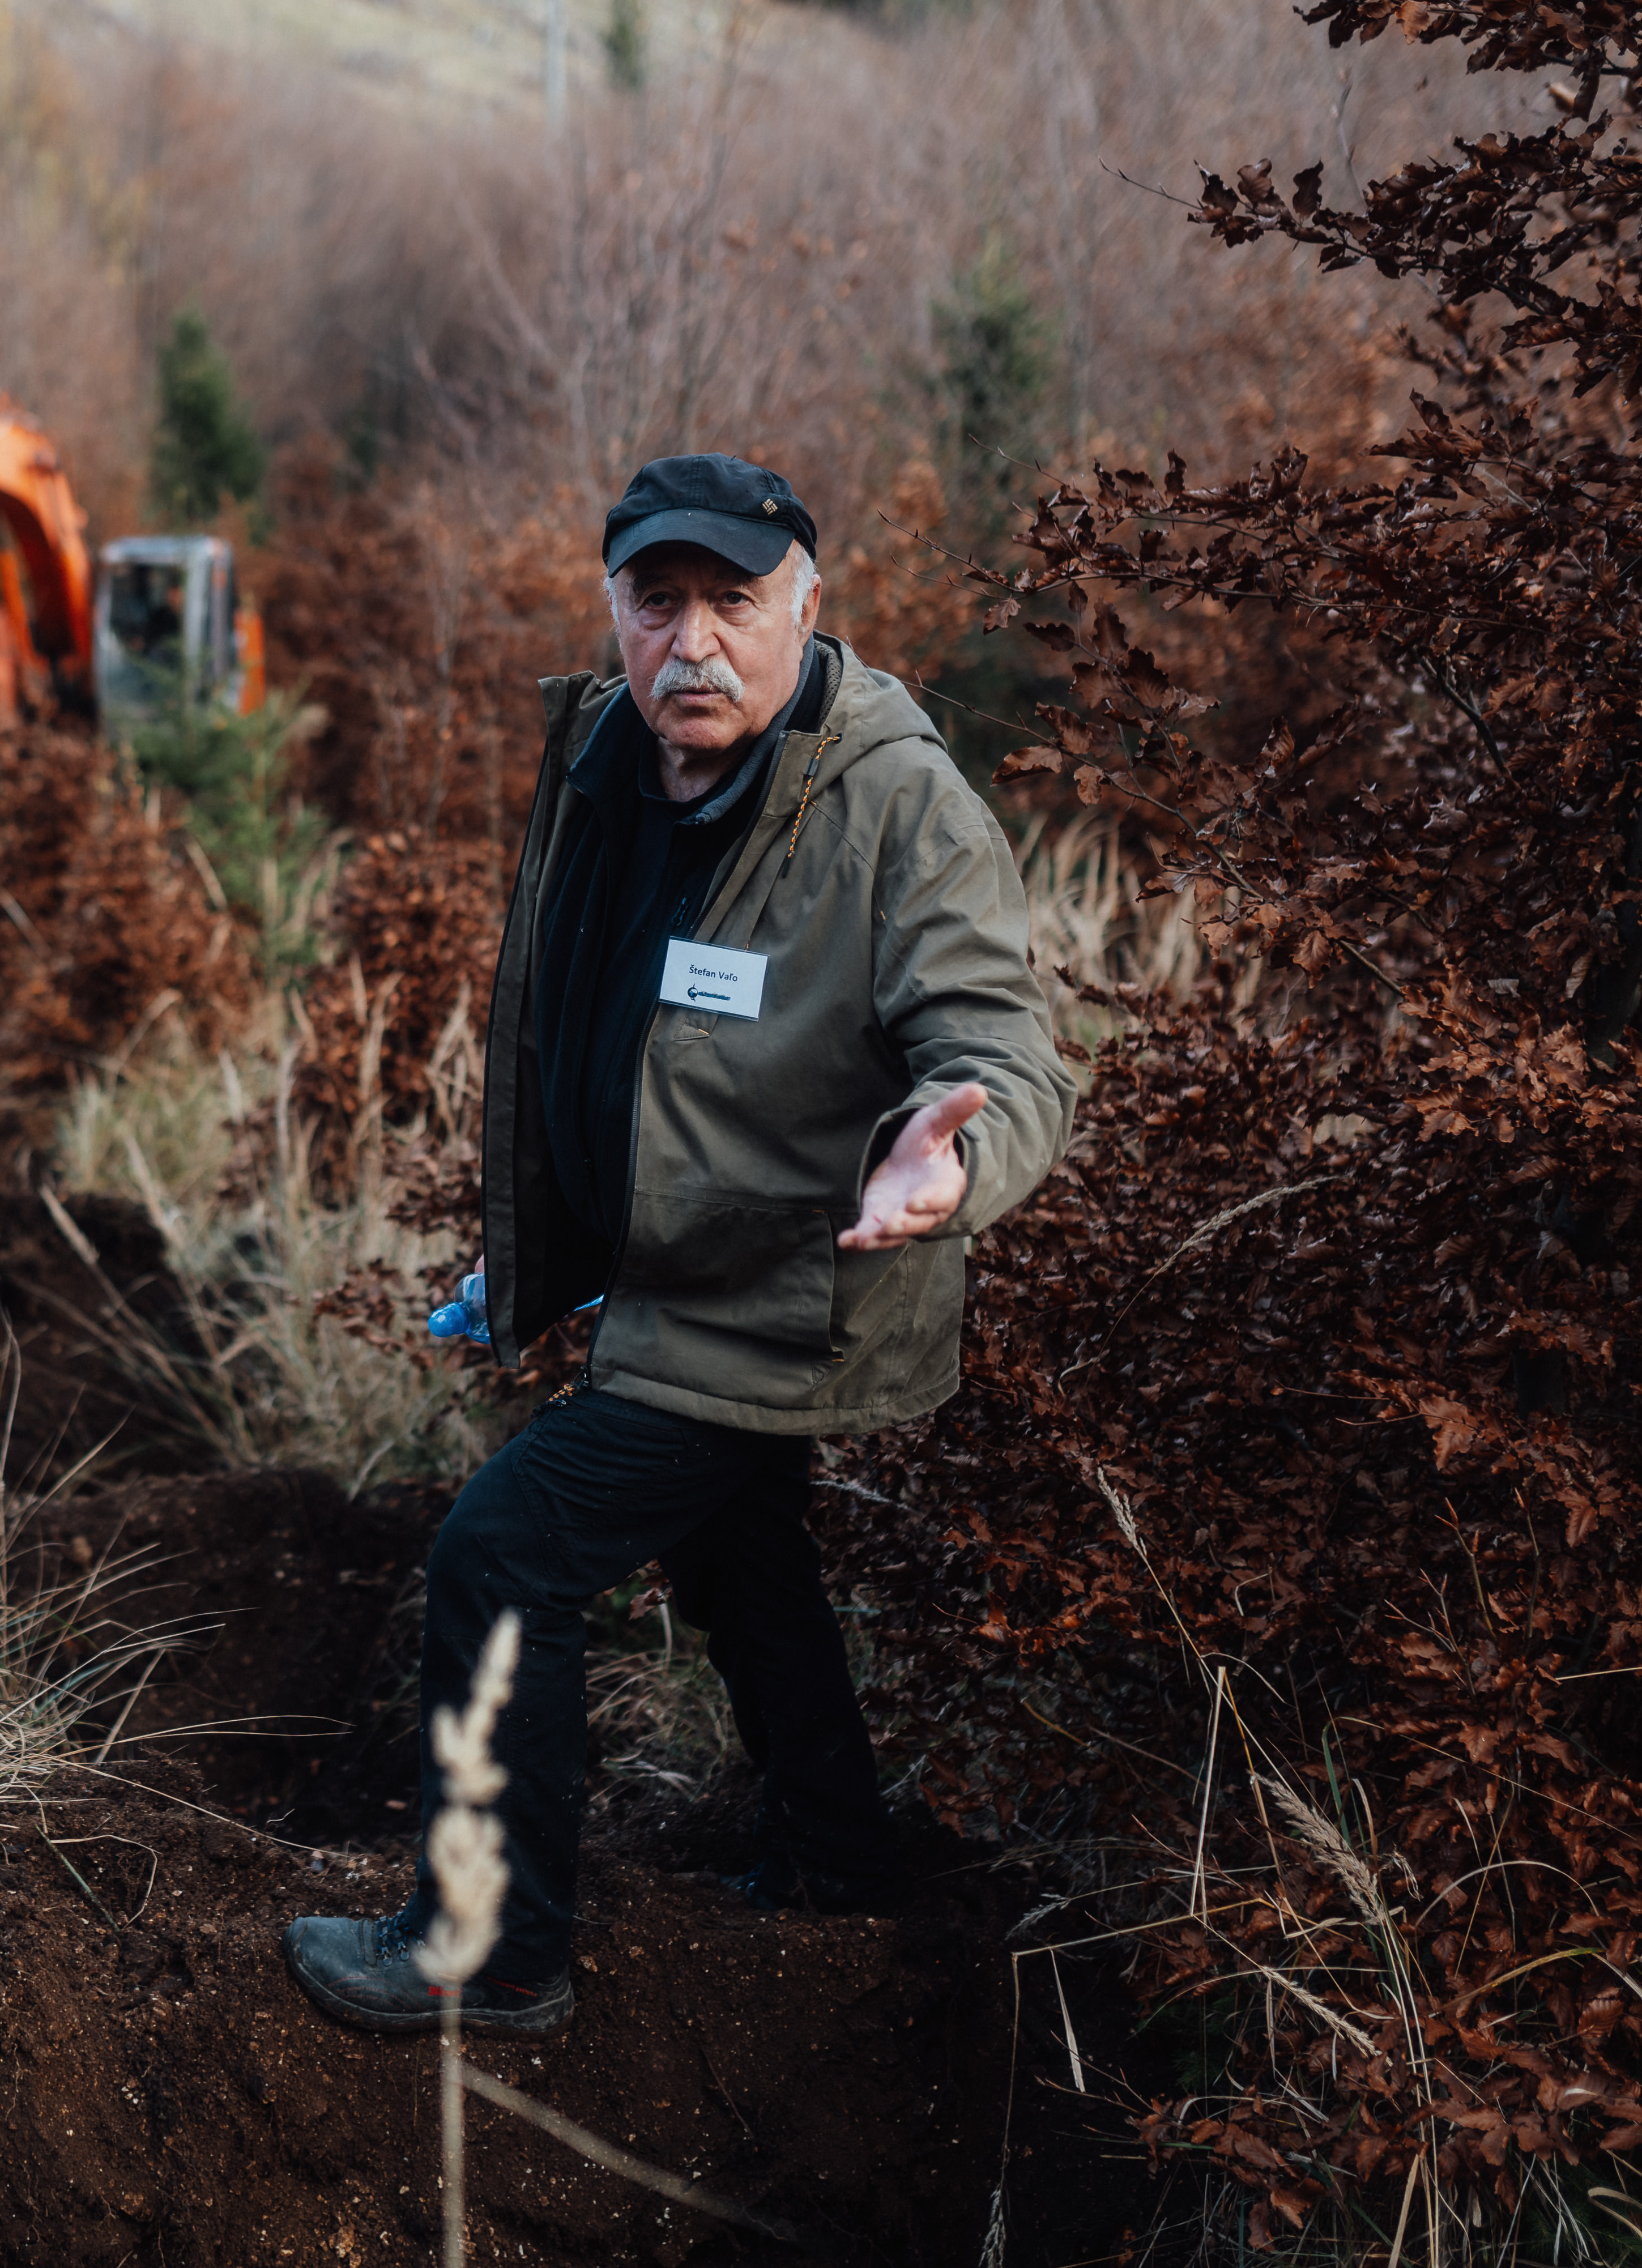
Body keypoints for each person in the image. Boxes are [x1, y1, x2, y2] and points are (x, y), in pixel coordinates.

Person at [282, 453, 1075, 2038]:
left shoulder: (896, 803)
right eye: (661, 603)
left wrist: (954, 1162)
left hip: (786, 1297)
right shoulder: (607, 749)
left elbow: (1012, 1053)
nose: (693, 643)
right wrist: (548, 1243)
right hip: (676, 1276)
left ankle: (491, 1953)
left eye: (734, 602)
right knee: (742, 1551)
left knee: (504, 1555)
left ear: (807, 605)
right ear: (617, 611)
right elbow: (614, 1022)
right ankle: (837, 1854)